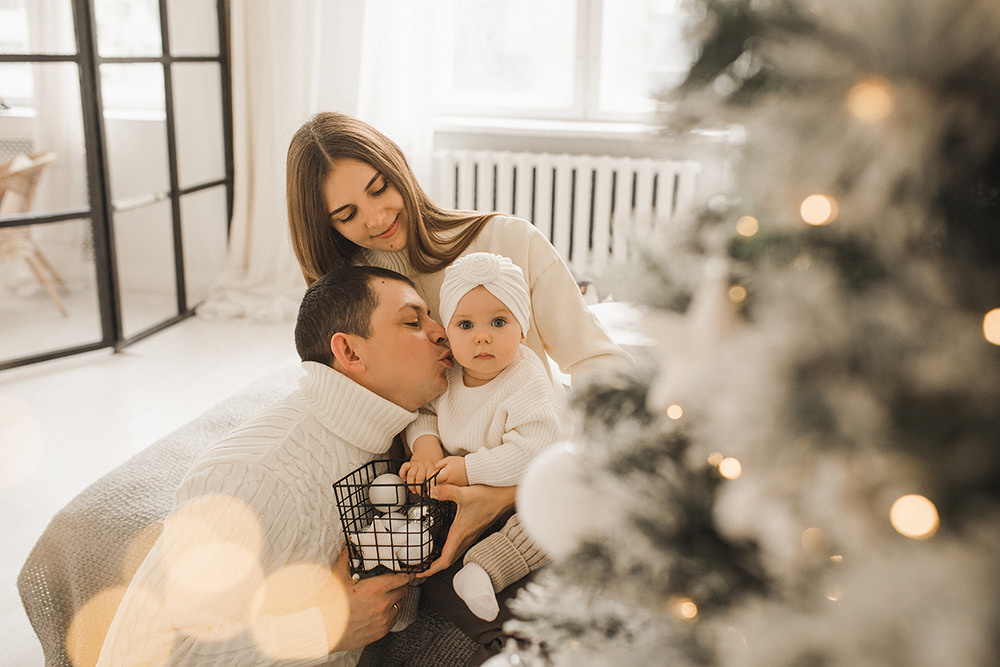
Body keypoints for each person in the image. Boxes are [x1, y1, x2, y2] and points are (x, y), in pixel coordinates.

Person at [286, 111, 633, 662]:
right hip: (434, 494)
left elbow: (597, 365)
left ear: (399, 168)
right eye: (348, 213)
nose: (376, 219)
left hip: (530, 462)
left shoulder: (507, 242)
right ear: (327, 226)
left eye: (380, 189)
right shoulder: (354, 289)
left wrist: (510, 487)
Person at [98, 266, 457, 666]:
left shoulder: (391, 441)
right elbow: (141, 653)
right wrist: (322, 629)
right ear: (350, 352)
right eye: (413, 320)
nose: (441, 330)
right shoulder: (254, 477)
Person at [400, 252, 565, 622]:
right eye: (465, 325)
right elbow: (423, 411)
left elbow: (532, 451)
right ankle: (404, 586)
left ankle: (485, 569)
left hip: (528, 481)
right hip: (461, 483)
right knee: (415, 510)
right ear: (448, 331)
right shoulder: (450, 372)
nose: (482, 337)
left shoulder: (525, 378)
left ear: (522, 330)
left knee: (555, 511)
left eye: (498, 321)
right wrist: (425, 445)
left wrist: (468, 468)